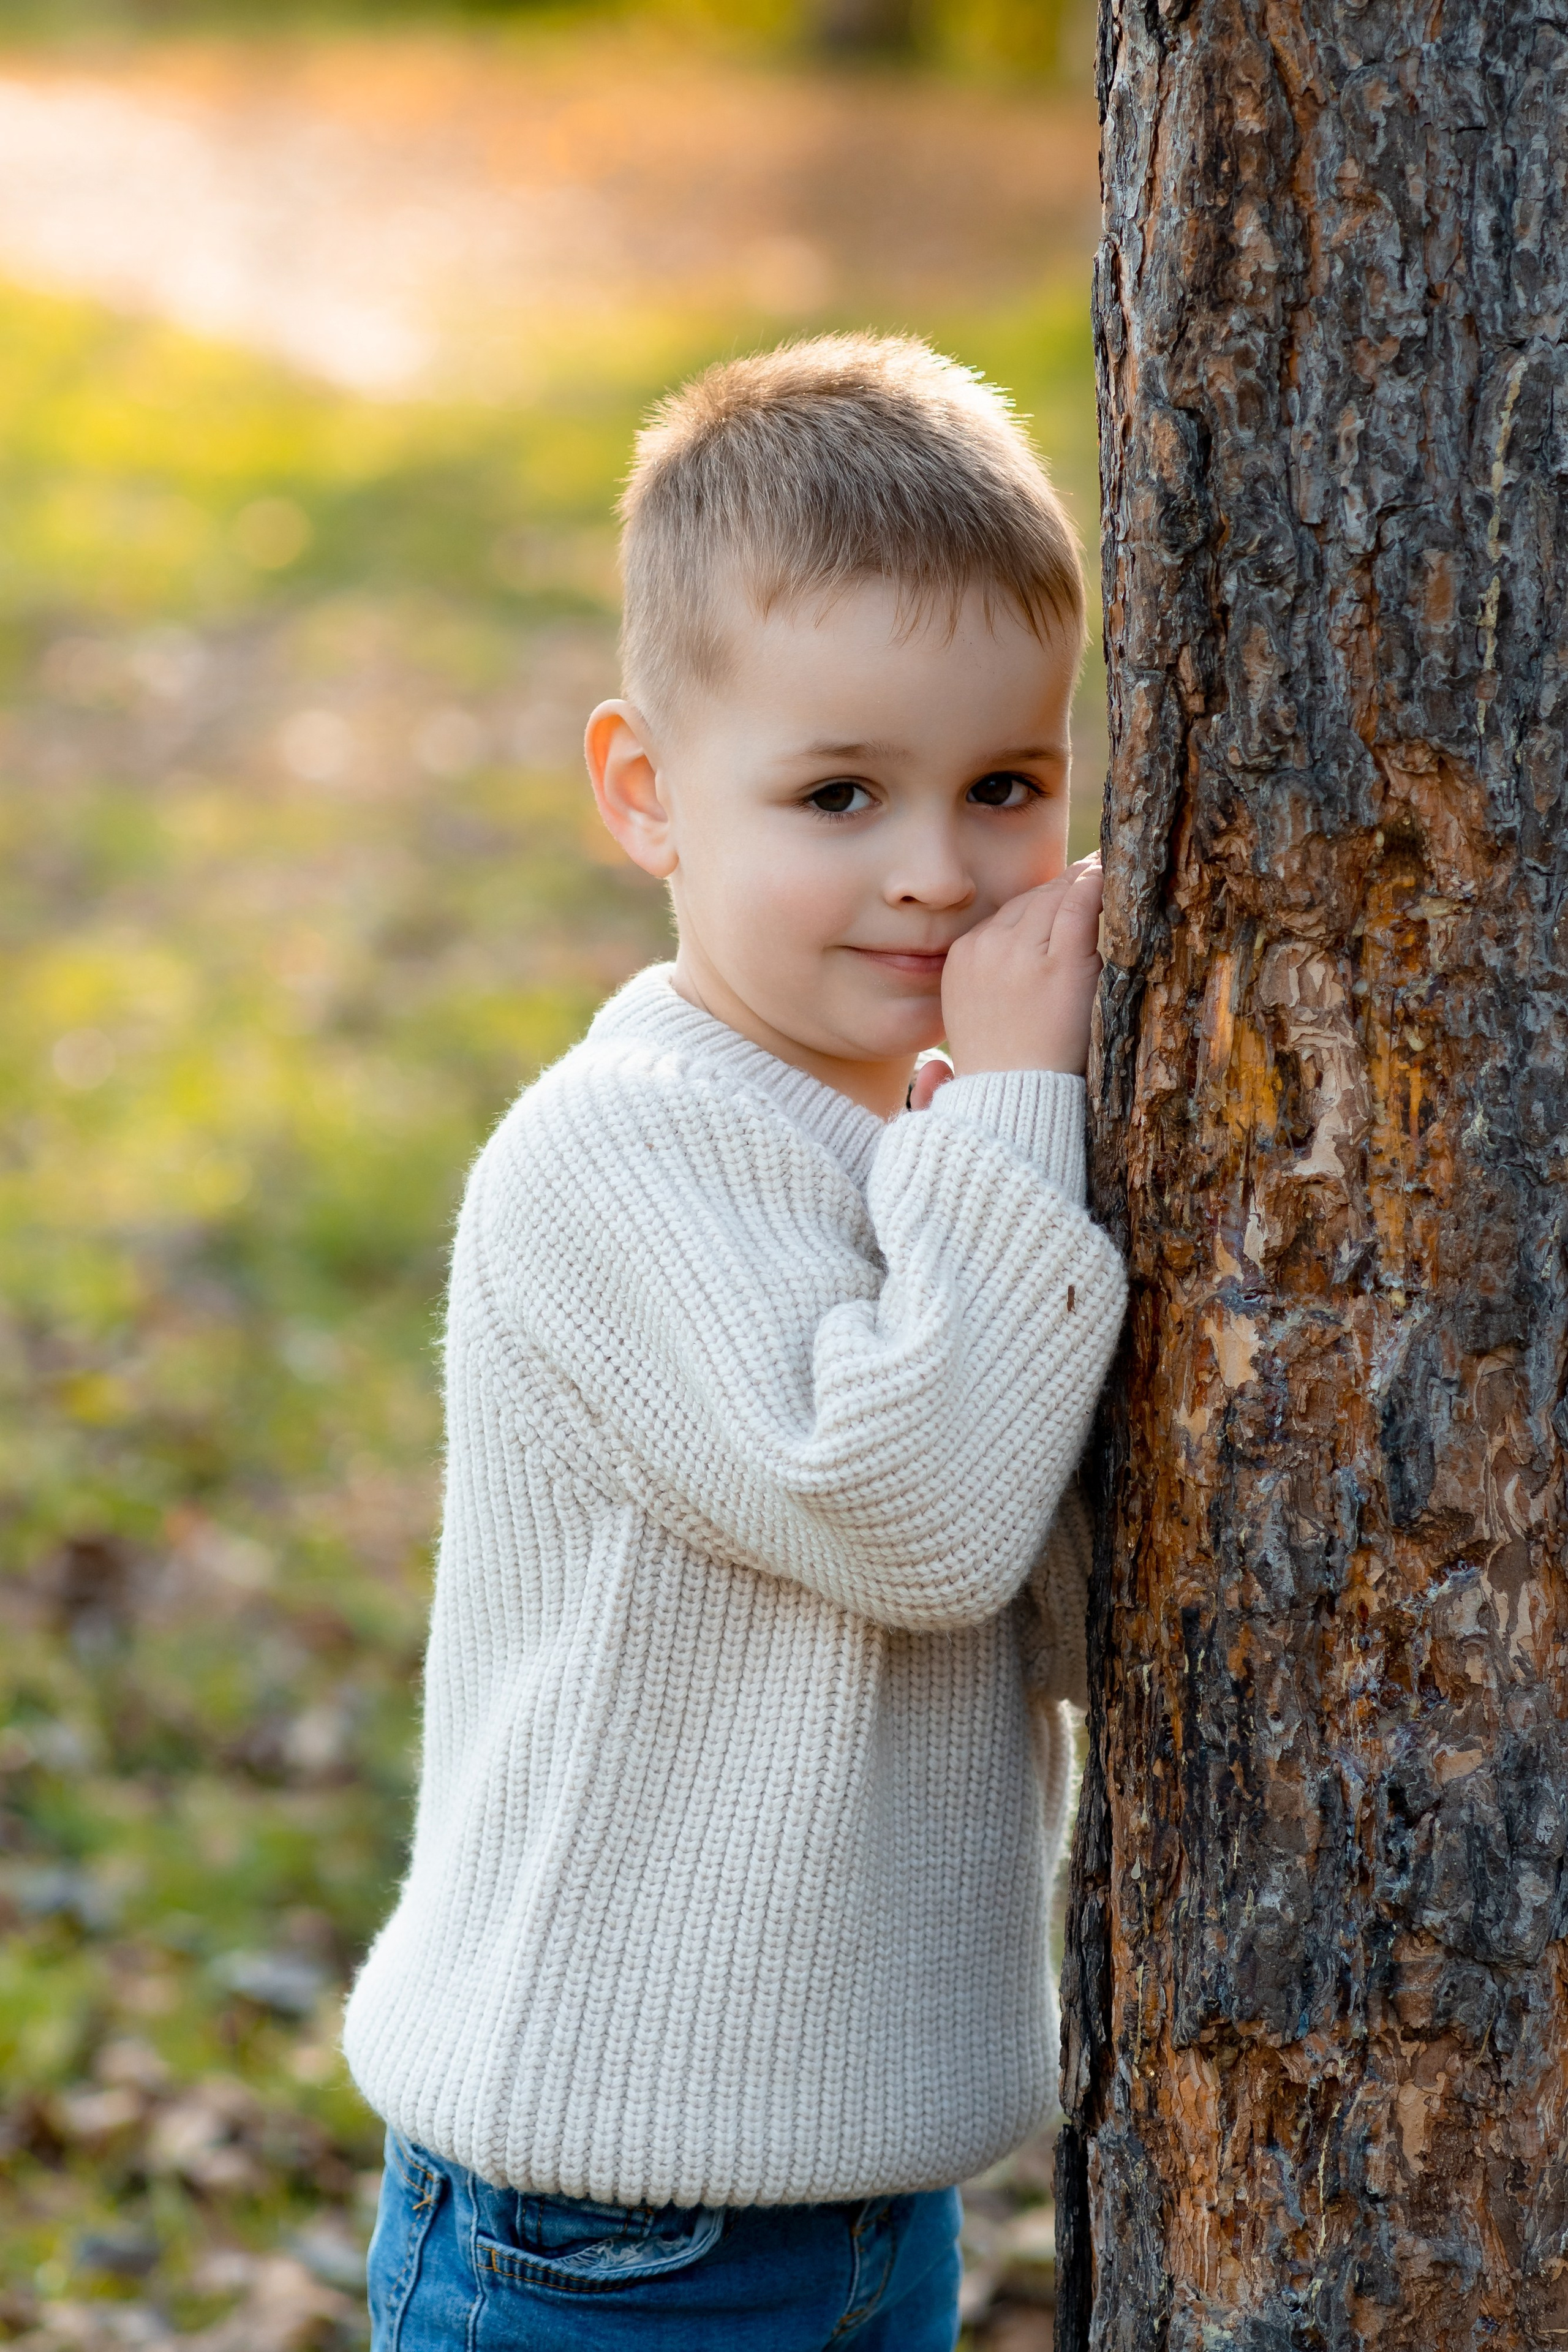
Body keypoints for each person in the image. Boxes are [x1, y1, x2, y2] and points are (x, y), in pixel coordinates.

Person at [345, 333, 1128, 2351]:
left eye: (1007, 788)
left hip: (867, 2190)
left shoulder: (910, 1147)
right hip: (609, 2225)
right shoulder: (619, 1155)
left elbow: (1066, 1584)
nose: (937, 869)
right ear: (647, 795)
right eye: (839, 793)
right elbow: (922, 1519)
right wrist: (1026, 1120)